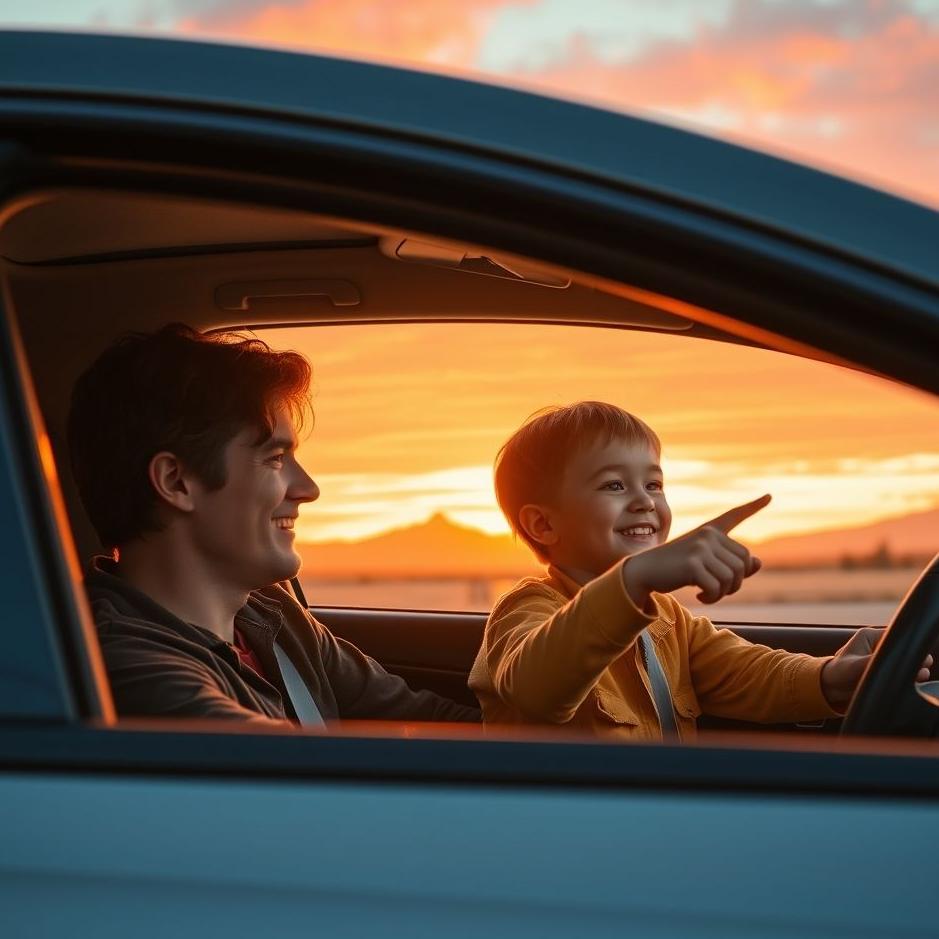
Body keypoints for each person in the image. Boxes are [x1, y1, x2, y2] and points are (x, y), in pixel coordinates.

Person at [68, 323, 479, 725]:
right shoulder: (132, 667)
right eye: (276, 458)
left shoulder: (273, 616)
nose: (309, 489)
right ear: (177, 482)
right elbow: (281, 766)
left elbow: (443, 727)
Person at [469, 401, 929, 740]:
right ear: (543, 524)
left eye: (654, 483)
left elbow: (747, 672)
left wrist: (830, 676)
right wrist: (633, 579)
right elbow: (535, 689)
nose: (644, 500)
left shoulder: (669, 621)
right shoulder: (527, 609)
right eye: (614, 485)